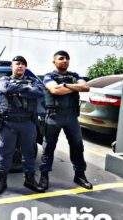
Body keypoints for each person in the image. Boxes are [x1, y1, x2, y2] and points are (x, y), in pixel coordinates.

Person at [39, 50, 92, 190]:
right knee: (48, 147)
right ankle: (44, 175)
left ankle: (80, 175)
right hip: (54, 117)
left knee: (77, 146)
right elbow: (55, 91)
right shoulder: (48, 76)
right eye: (61, 58)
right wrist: (74, 87)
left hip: (71, 117)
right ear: (54, 61)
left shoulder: (74, 75)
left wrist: (65, 86)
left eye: (67, 58)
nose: (64, 61)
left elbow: (86, 87)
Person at [0, 56, 45, 195]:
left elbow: (40, 92)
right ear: (12, 67)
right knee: (5, 153)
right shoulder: (4, 80)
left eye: (23, 64)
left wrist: (18, 90)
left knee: (29, 153)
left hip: (28, 123)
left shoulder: (33, 81)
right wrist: (27, 88)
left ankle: (29, 180)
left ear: (25, 67)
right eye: (17, 64)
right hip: (9, 123)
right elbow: (6, 89)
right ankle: (1, 181)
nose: (20, 66)